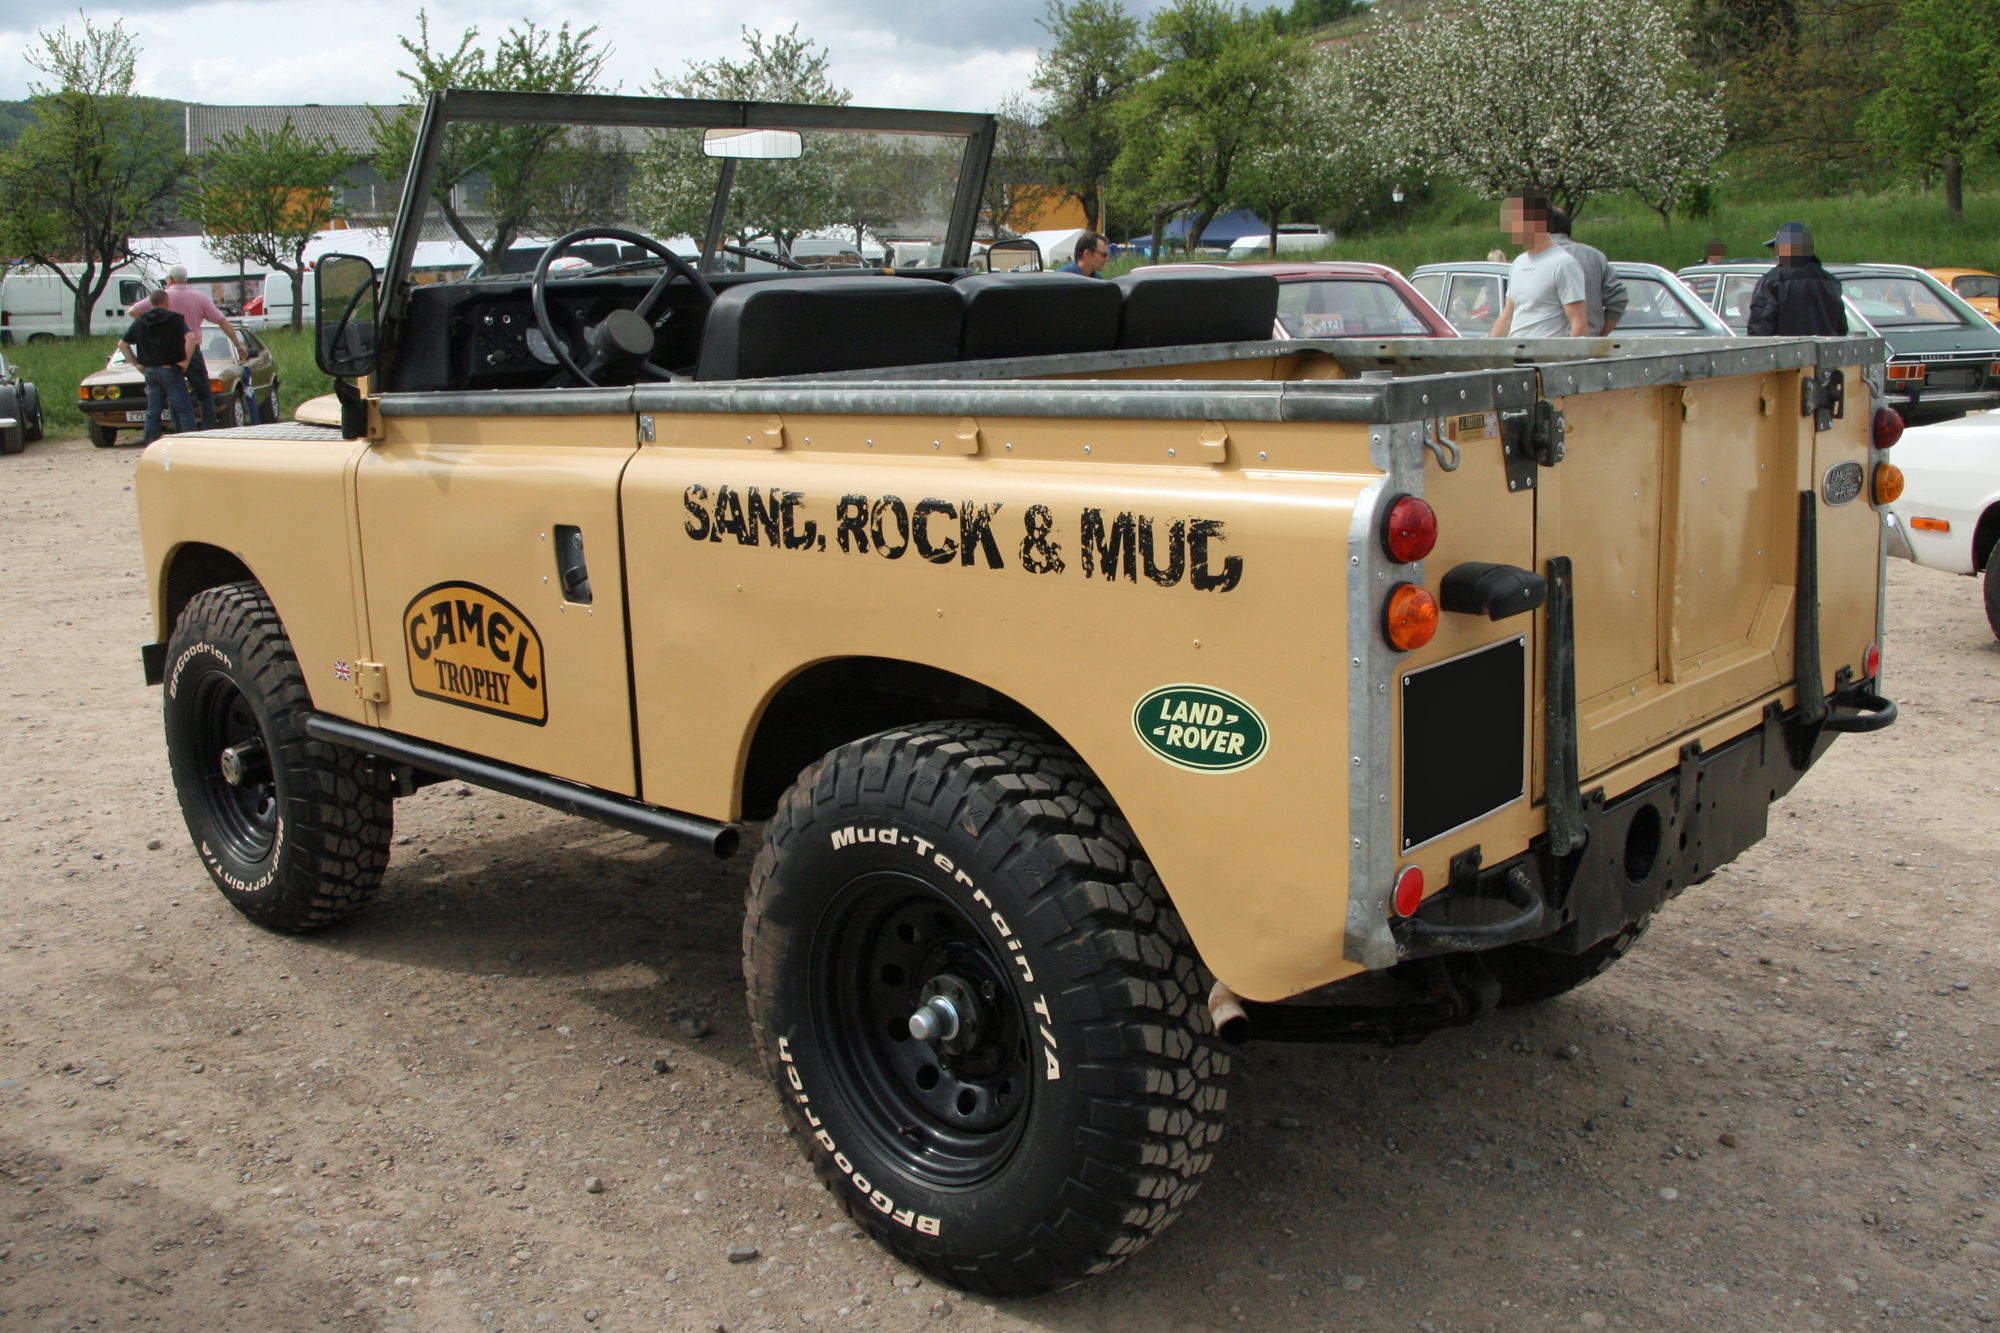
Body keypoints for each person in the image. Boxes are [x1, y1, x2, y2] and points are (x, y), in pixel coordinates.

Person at [127, 264, 245, 430]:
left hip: (169, 352)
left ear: (170, 279)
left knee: (175, 396)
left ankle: (179, 431)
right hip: (193, 351)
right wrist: (238, 344)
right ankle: (209, 430)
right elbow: (222, 321)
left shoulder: (164, 296)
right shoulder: (200, 298)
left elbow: (133, 311)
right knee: (204, 394)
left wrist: (151, 323)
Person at [1490, 189, 1587, 338]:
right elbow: (1506, 317)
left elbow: (1579, 324)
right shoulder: (1518, 263)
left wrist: (1566, 359)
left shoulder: (1564, 264)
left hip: (1545, 357)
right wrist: (1489, 355)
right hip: (1514, 354)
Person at [118, 289, 198, 444]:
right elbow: (191, 338)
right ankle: (190, 443)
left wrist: (137, 364)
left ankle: (151, 444)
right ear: (167, 302)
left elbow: (123, 345)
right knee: (183, 408)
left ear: (150, 303)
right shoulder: (175, 319)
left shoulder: (140, 321)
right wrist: (185, 362)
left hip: (150, 371)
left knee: (153, 411)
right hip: (170, 369)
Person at [1747, 222, 1847, 337]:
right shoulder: (1831, 281)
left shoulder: (1772, 280)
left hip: (1785, 352)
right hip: (1824, 351)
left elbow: (1760, 327)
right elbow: (1841, 328)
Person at [1547, 207, 1627, 336]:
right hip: (1587, 346)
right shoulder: (1594, 256)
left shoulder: (1531, 259)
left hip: (1541, 347)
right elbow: (1618, 300)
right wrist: (1598, 336)